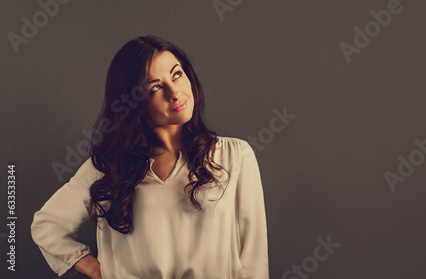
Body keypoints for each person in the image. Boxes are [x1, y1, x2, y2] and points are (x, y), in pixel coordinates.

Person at [31, 35, 269, 279]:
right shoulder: (108, 168)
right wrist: (95, 268)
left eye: (177, 74)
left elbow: (254, 261)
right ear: (133, 104)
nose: (175, 92)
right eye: (155, 87)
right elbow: (46, 225)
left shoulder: (235, 155)